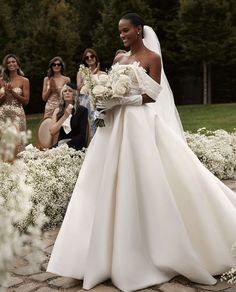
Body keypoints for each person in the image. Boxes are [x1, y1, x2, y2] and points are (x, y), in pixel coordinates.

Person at [47, 13, 236, 292]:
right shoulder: (119, 59)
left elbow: (153, 94)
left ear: (139, 30)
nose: (122, 35)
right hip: (113, 126)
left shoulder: (152, 58)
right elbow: (107, 88)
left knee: (145, 177)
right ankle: (95, 253)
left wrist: (123, 98)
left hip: (138, 123)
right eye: (119, 31)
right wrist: (104, 100)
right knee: (101, 182)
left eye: (126, 30)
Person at [0, 54, 29, 148]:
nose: (11, 64)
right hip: (2, 115)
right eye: (8, 62)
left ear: (17, 64)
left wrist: (12, 92)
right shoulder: (1, 80)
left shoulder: (24, 80)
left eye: (13, 61)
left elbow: (26, 101)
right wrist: (4, 95)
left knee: (17, 144)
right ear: (6, 65)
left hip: (17, 116)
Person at [77, 48, 106, 138]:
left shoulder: (103, 74)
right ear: (84, 60)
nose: (89, 58)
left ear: (95, 57)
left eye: (92, 56)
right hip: (85, 102)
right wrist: (90, 75)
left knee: (99, 125)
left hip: (99, 102)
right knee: (87, 126)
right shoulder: (81, 73)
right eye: (87, 57)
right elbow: (78, 89)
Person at [50, 83, 89, 150]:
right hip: (60, 145)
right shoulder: (58, 111)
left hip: (76, 146)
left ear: (74, 94)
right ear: (62, 94)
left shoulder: (82, 110)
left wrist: (65, 145)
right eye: (65, 91)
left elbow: (82, 136)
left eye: (70, 91)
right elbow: (52, 131)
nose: (67, 93)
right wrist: (65, 116)